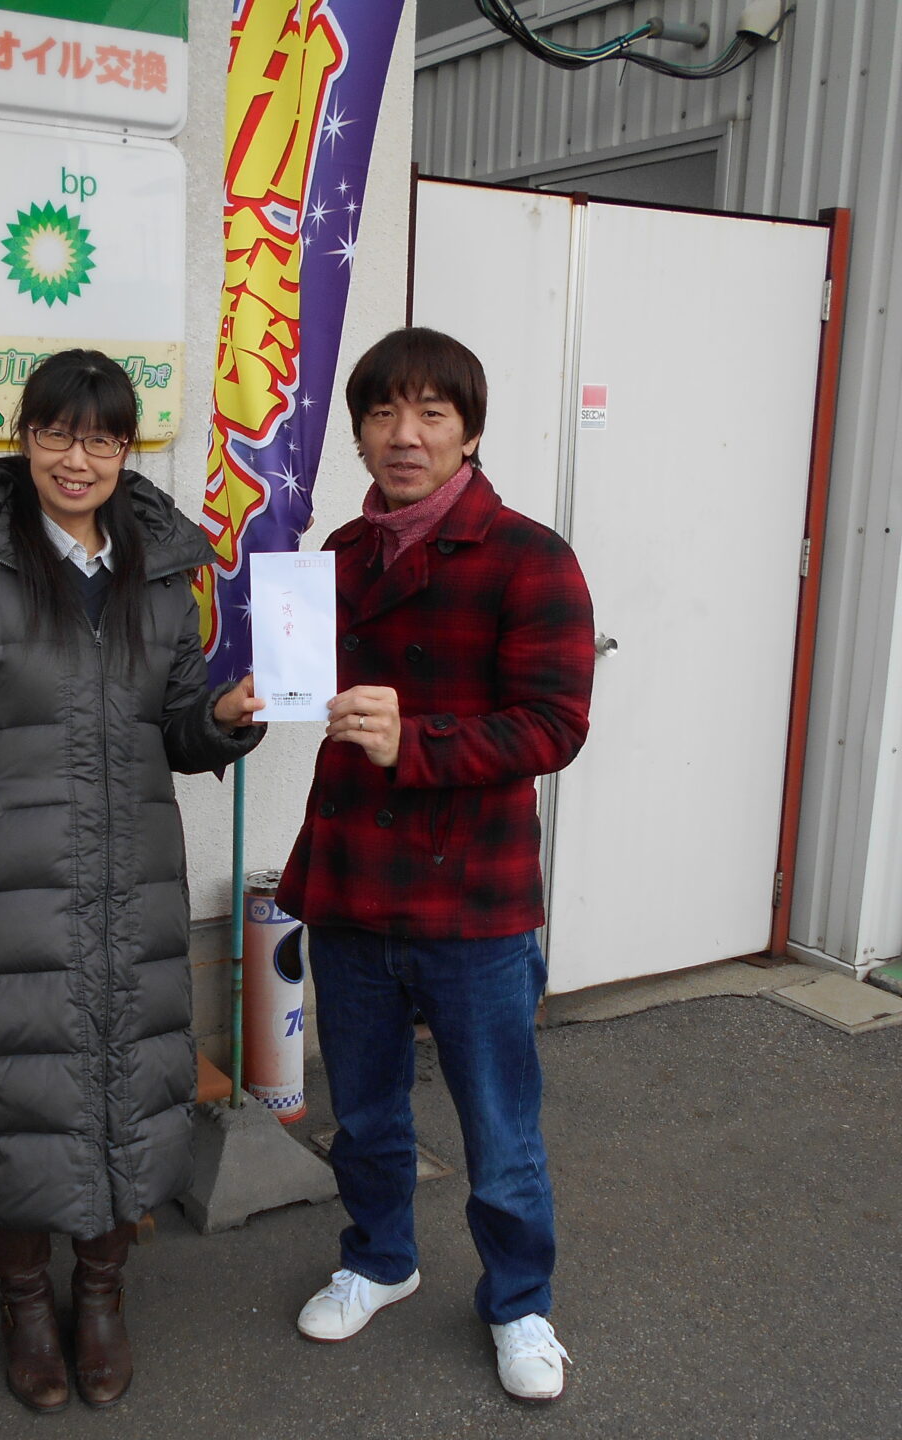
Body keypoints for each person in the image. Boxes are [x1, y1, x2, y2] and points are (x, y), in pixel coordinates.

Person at [0, 349, 265, 1412]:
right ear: (26, 437)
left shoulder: (158, 569)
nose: (76, 458)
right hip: (8, 888)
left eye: (101, 437)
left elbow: (175, 728)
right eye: (56, 433)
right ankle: (23, 1304)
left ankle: (101, 1297)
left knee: (123, 1092)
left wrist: (224, 719)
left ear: (126, 447)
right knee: (16, 1095)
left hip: (132, 885)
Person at [276, 327, 594, 1402]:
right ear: (360, 431)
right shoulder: (336, 555)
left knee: (499, 1127)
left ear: (469, 431)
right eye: (382, 413)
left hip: (474, 895)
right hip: (354, 883)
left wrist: (415, 741)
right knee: (365, 1111)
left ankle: (520, 1302)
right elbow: (300, 688)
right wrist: (247, 697)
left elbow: (554, 725)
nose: (403, 436)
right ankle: (380, 1259)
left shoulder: (531, 556)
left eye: (430, 414)